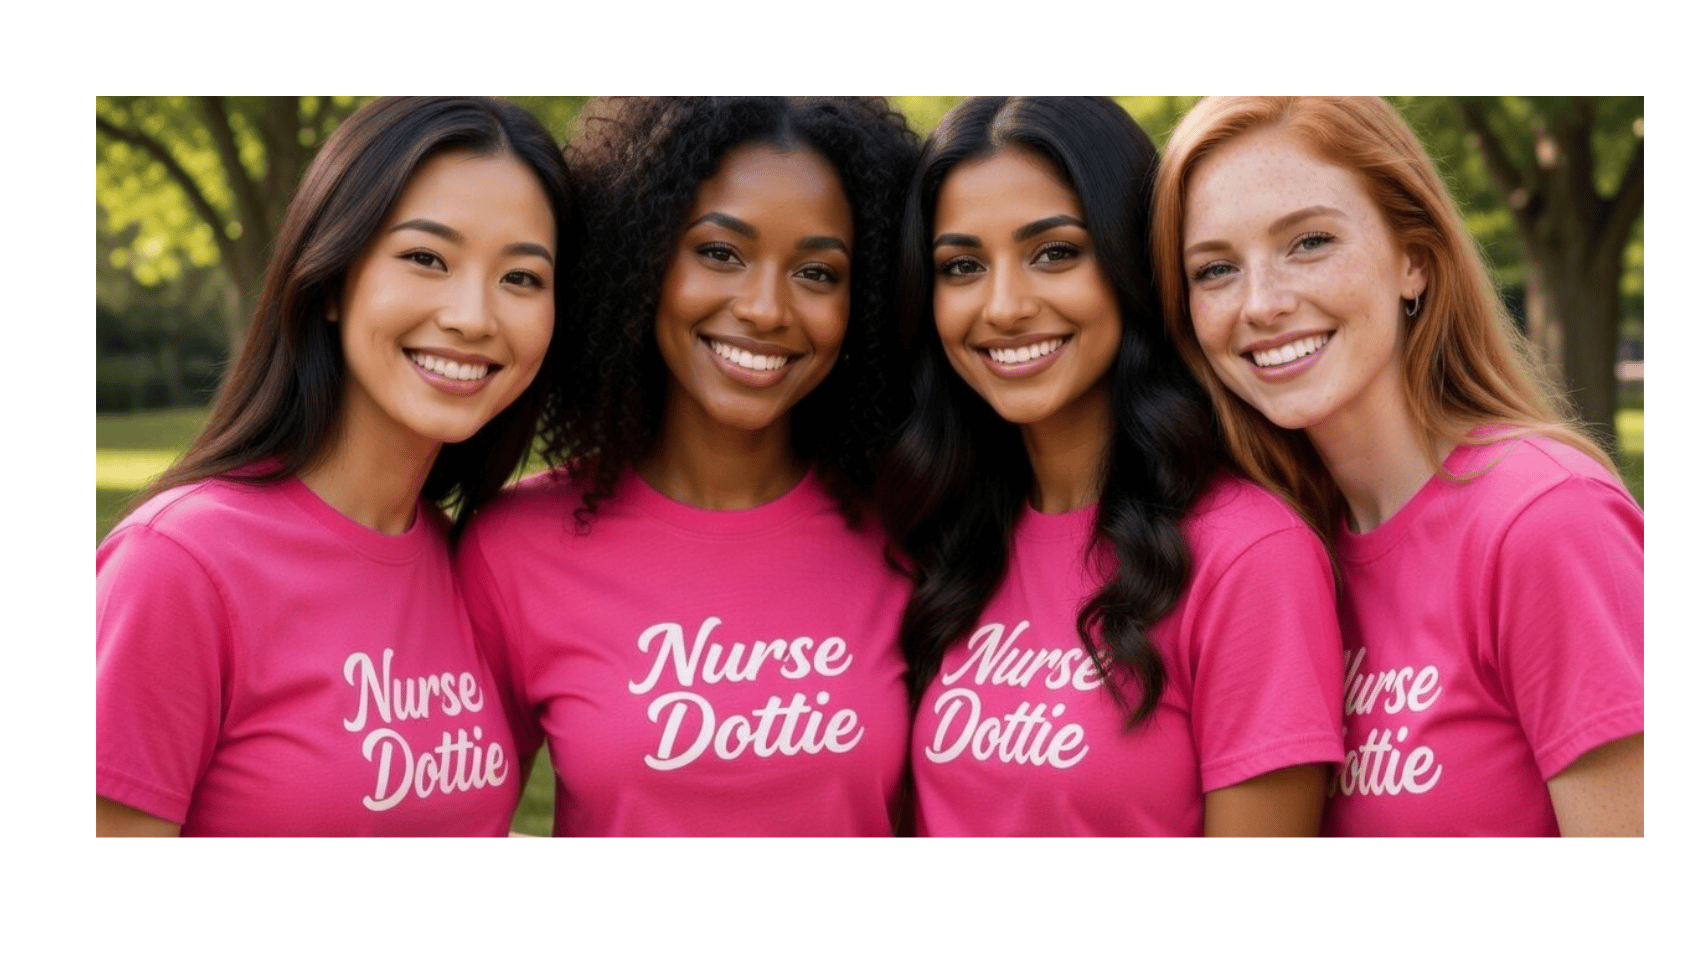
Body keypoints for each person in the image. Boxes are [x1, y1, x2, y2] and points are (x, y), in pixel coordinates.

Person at [1152, 96, 1644, 836]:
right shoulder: (1268, 551)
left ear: (1413, 260)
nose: (1262, 303)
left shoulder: (1547, 519)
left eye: (1309, 242)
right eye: (1216, 269)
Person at [96, 97, 574, 836]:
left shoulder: (472, 568)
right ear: (329, 281)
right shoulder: (178, 565)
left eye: (521, 277)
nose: (473, 316)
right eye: (426, 259)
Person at [877, 96, 1344, 836]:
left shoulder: (1248, 556)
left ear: (1130, 260)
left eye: (1054, 253)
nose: (1003, 307)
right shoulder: (943, 534)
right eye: (962, 266)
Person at [456, 97, 919, 836]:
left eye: (817, 272)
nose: (765, 308)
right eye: (720, 253)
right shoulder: (513, 550)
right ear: (641, 260)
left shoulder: (914, 534)